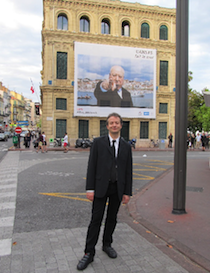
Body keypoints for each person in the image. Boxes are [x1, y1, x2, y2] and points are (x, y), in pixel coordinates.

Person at [77, 112, 133, 271]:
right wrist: (90, 188)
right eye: (111, 123)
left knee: (112, 219)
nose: (114, 125)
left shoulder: (126, 146)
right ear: (107, 126)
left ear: (121, 125)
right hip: (100, 187)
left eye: (117, 123)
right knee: (96, 220)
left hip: (117, 188)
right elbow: (91, 166)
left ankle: (107, 244)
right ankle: (89, 252)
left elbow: (128, 171)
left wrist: (127, 192)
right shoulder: (98, 143)